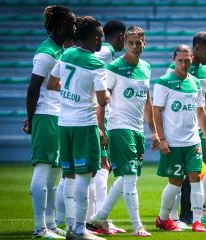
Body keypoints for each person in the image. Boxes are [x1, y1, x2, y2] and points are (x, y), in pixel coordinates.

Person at [90, 25, 156, 237]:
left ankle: (100, 217)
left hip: (138, 130)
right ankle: (137, 227)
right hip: (119, 127)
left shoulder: (146, 67)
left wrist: (153, 130)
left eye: (139, 43)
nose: (135, 46)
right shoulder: (114, 68)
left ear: (144, 43)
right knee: (130, 177)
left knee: (128, 177)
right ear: (125, 44)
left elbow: (147, 101)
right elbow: (101, 103)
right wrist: (101, 128)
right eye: (131, 43)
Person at [47, 16, 109, 240]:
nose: (102, 40)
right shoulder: (96, 62)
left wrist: (71, 93)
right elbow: (103, 99)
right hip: (84, 124)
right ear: (95, 38)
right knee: (85, 177)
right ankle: (80, 231)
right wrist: (101, 94)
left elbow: (52, 84)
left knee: (69, 176)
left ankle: (70, 225)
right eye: (101, 36)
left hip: (64, 123)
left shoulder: (66, 54)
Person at [24, 5, 75, 239]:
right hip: (46, 116)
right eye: (72, 24)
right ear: (63, 26)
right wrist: (32, 119)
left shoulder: (58, 50)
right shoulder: (46, 53)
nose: (74, 28)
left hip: (57, 116)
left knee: (54, 173)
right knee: (44, 170)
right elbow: (33, 88)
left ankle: (51, 224)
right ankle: (39, 228)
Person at [154, 44, 206, 232]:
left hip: (193, 140)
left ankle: (197, 221)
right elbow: (156, 112)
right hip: (173, 142)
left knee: (196, 177)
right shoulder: (163, 82)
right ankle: (163, 218)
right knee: (175, 182)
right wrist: (162, 138)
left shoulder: (195, 82)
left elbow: (201, 111)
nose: (184, 64)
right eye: (180, 60)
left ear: (192, 60)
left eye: (187, 60)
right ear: (174, 60)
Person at [166, 32, 206, 229]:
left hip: (200, 123)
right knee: (181, 174)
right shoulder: (177, 70)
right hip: (182, 126)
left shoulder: (205, 67)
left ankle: (198, 209)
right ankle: (176, 217)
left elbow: (203, 95)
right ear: (197, 48)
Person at [86, 19, 126, 234]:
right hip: (93, 115)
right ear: (120, 37)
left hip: (91, 114)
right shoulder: (104, 53)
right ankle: (96, 221)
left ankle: (95, 220)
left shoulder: (106, 55)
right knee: (101, 166)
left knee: (99, 168)